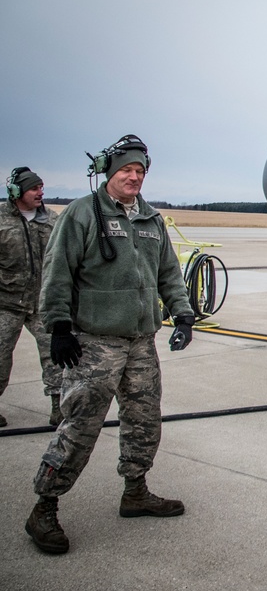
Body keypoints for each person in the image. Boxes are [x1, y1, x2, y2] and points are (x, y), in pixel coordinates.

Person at [24, 135, 197, 555]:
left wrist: (183, 312)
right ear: (110, 172)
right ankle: (44, 507)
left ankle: (135, 491)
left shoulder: (152, 220)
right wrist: (59, 326)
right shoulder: (82, 214)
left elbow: (169, 272)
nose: (134, 177)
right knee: (80, 425)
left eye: (140, 172)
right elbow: (57, 272)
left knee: (144, 419)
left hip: (140, 340)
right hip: (94, 342)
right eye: (126, 171)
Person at [0, 167, 61, 427]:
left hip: (43, 303)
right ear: (17, 192)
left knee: (56, 355)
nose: (41, 193)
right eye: (34, 188)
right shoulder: (1, 220)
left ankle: (60, 408)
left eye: (41, 187)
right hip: (6, 304)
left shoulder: (52, 220)